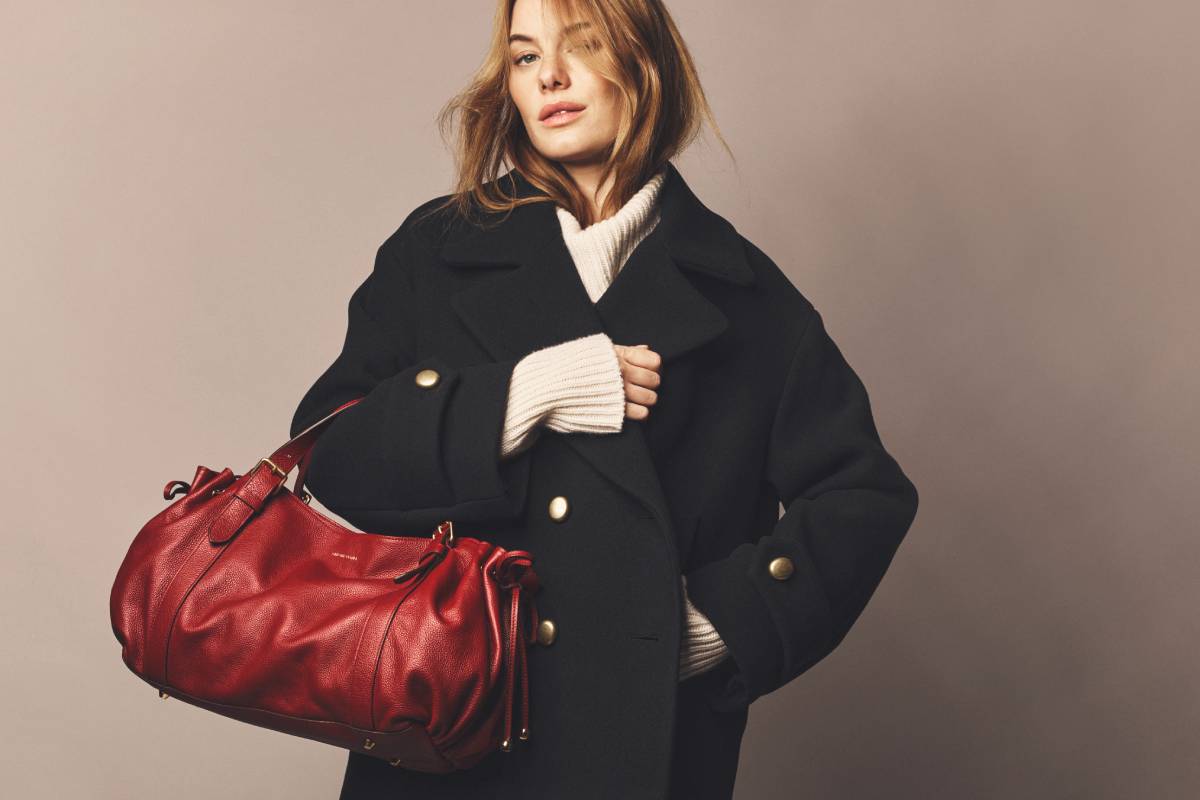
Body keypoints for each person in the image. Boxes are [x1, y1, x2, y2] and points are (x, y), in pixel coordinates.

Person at [288, 0, 919, 797]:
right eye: (525, 57)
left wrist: (721, 621)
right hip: (442, 735)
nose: (549, 76)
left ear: (645, 63)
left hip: (637, 746)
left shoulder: (746, 297)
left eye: (582, 45)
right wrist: (524, 395)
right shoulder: (436, 251)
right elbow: (332, 453)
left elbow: (862, 494)